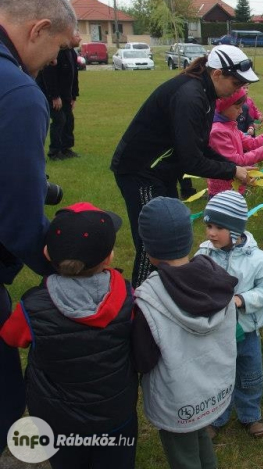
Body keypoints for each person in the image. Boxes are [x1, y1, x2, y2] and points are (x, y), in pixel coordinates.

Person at [0, 203, 138, 468]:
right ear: (109, 258)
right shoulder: (127, 297)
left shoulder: (32, 307)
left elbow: (11, 337)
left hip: (58, 420)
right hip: (115, 413)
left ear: (46, 253)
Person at [110, 45, 257, 287]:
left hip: (163, 170)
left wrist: (232, 166)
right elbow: (192, 160)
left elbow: (198, 147)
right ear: (217, 74)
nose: (239, 90)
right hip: (140, 172)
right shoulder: (190, 96)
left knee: (170, 234)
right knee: (154, 240)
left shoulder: (206, 93)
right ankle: (141, 300)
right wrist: (232, 170)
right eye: (236, 83)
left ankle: (168, 292)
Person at [0, 0, 76, 452]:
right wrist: (69, 269)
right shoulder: (18, 93)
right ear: (38, 29)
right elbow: (19, 217)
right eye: (59, 49)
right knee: (6, 400)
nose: (56, 61)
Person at [131, 197, 238, 469]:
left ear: (148, 248)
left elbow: (143, 358)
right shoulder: (218, 279)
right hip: (211, 391)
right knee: (200, 435)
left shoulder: (148, 298)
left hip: (178, 400)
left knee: (183, 456)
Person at [197, 191, 263, 439]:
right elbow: (194, 284)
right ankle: (217, 416)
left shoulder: (257, 259)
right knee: (217, 376)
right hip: (215, 332)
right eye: (208, 225)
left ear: (235, 230)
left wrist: (242, 300)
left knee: (250, 374)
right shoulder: (204, 255)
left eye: (218, 227)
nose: (211, 233)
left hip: (246, 331)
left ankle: (250, 414)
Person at [207, 87, 263, 197]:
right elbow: (236, 161)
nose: (241, 111)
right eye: (238, 107)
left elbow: (251, 143)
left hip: (235, 185)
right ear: (224, 107)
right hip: (223, 192)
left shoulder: (230, 125)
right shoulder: (218, 132)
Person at [37, 29, 81, 160]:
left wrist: (73, 96)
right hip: (51, 95)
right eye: (77, 36)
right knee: (59, 120)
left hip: (66, 95)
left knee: (68, 120)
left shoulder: (71, 53)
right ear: (69, 37)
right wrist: (54, 96)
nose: (80, 38)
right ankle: (54, 151)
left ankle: (66, 148)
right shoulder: (55, 52)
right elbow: (48, 76)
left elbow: (74, 77)